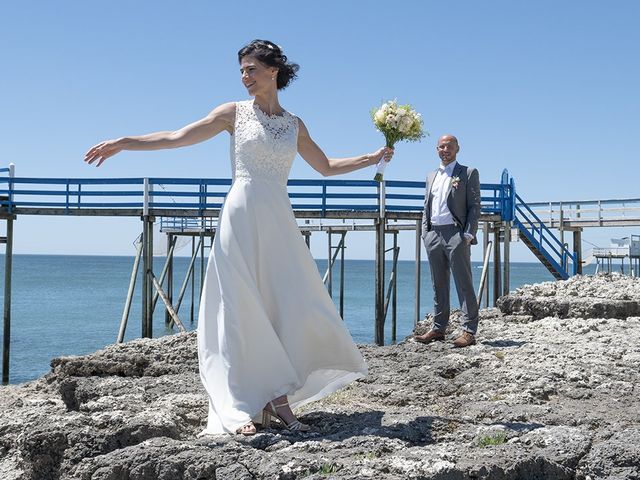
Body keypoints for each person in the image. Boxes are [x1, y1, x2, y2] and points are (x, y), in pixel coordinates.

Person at [84, 39, 393, 435]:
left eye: (251, 69)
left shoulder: (294, 124)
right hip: (241, 216)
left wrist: (372, 158)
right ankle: (242, 405)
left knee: (287, 304)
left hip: (279, 219)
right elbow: (178, 136)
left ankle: (277, 399)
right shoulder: (233, 113)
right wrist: (126, 142)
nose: (245, 77)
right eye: (242, 71)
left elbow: (327, 166)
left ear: (273, 71)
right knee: (241, 309)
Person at [414, 135, 480, 348]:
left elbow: (474, 206)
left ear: (457, 148)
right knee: (438, 283)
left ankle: (469, 331)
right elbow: (426, 205)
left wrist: (467, 235)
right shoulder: (431, 175)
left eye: (449, 146)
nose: (445, 150)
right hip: (434, 234)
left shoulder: (468, 173)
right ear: (437, 149)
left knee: (463, 283)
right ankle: (439, 328)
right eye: (441, 146)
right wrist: (426, 232)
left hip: (456, 234)